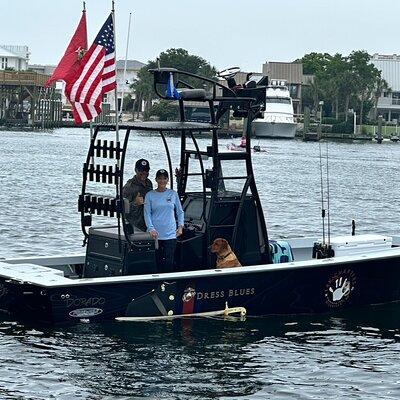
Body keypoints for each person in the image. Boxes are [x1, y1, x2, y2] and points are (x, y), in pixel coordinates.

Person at [144, 169, 184, 273]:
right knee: (157, 261)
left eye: (164, 178)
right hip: (156, 234)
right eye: (160, 178)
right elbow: (147, 213)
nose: (162, 181)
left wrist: (180, 227)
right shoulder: (150, 195)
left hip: (170, 234)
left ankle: (168, 284)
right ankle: (158, 284)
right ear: (156, 180)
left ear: (167, 180)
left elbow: (180, 212)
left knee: (169, 261)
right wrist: (151, 229)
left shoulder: (173, 194)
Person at [122, 159, 153, 232]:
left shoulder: (149, 183)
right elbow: (123, 210)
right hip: (135, 226)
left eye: (146, 170)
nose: (144, 173)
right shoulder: (129, 187)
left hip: (148, 224)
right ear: (136, 170)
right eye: (141, 170)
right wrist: (135, 203)